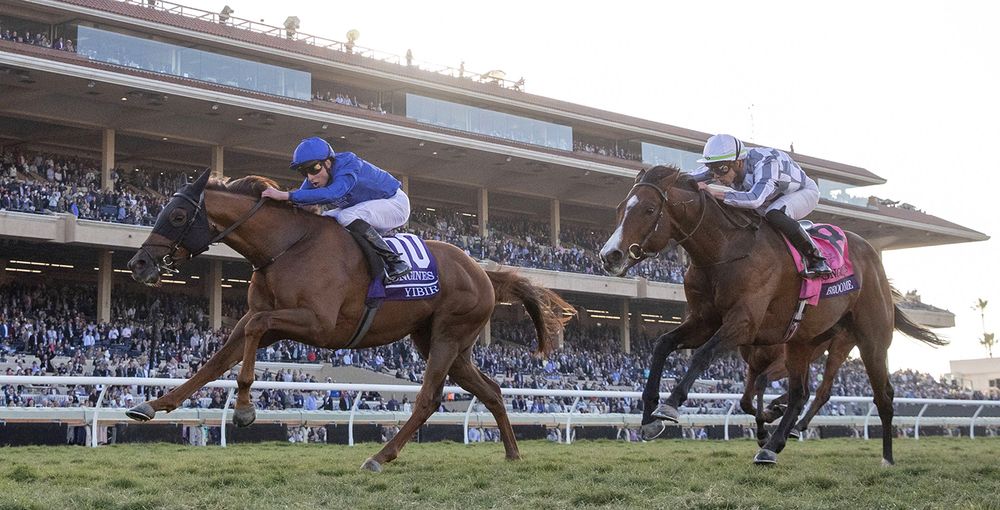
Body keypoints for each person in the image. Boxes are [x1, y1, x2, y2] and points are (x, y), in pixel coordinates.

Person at [261, 137, 411, 283]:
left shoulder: (349, 164)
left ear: (327, 163)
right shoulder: (315, 177)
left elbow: (333, 193)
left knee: (346, 215)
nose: (310, 177)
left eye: (313, 168)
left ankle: (395, 261)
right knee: (324, 218)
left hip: (395, 203)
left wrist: (286, 195)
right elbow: (301, 203)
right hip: (368, 208)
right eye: (304, 172)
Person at [691, 134, 832, 278]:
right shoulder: (725, 163)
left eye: (720, 169)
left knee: (774, 213)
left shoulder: (767, 163)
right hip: (769, 197)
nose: (715, 176)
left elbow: (754, 200)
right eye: (711, 168)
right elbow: (686, 178)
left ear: (738, 163)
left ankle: (816, 258)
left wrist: (714, 193)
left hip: (802, 192)